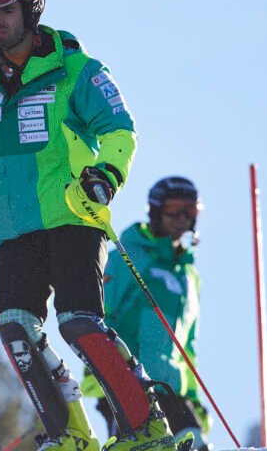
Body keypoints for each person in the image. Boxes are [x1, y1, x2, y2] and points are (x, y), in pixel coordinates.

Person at [0, 0, 178, 451]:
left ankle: (147, 427)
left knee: (78, 320)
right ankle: (71, 434)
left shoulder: (75, 69)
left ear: (32, 6)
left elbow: (120, 127)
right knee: (16, 327)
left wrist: (107, 174)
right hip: (14, 225)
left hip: (71, 212)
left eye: (6, 7)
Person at [83, 177, 211, 451]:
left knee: (196, 444)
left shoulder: (189, 277)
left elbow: (186, 346)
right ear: (155, 210)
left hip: (171, 388)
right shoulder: (127, 258)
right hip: (129, 384)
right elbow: (97, 315)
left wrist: (193, 396)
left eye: (190, 209)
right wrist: (100, 376)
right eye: (174, 208)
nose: (182, 218)